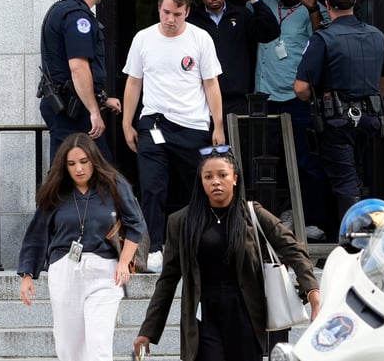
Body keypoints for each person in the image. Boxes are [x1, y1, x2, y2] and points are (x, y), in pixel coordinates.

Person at [133, 145, 321, 361]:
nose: (215, 181)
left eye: (222, 175)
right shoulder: (181, 222)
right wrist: (148, 331)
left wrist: (313, 294)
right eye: (208, 176)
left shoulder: (252, 214)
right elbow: (167, 280)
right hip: (203, 315)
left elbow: (293, 248)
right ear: (201, 181)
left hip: (246, 312)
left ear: (235, 178)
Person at [17, 132, 147, 361]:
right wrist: (27, 274)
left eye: (84, 162)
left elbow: (136, 223)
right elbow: (37, 233)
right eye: (72, 164)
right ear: (64, 166)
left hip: (106, 272)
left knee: (99, 345)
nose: (79, 169)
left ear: (94, 160)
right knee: (69, 347)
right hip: (65, 270)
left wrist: (124, 262)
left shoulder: (114, 185)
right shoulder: (56, 193)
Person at [122, 0, 224, 273]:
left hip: (192, 123)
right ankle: (154, 247)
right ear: (158, 8)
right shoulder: (143, 39)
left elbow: (211, 83)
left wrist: (218, 124)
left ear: (187, 12)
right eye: (166, 12)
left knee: (196, 187)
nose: (170, 19)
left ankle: (201, 243)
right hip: (153, 120)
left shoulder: (200, 38)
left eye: (177, 14)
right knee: (153, 186)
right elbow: (133, 82)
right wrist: (127, 122)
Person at [293, 0, 384, 230]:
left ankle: (352, 248)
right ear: (354, 3)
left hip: (337, 122)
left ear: (327, 4)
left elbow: (301, 88)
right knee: (362, 177)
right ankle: (366, 240)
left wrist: (317, 103)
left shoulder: (323, 39)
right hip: (371, 121)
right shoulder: (376, 35)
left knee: (345, 184)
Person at [257, 0, 330, 239]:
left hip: (295, 97)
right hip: (264, 96)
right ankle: (275, 217)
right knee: (267, 164)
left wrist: (311, 7)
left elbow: (325, 37)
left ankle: (315, 220)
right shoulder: (265, 1)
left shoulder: (312, 8)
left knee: (305, 162)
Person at [171, 0, 279, 120]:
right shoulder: (192, 19)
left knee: (236, 145)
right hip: (201, 101)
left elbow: (271, 32)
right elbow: (168, 30)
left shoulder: (241, 15)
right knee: (206, 146)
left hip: (236, 102)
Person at [38, 0, 122, 163]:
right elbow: (78, 68)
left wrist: (102, 100)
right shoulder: (78, 18)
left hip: (67, 105)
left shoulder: (60, 9)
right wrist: (94, 111)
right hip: (71, 111)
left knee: (66, 175)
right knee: (104, 173)